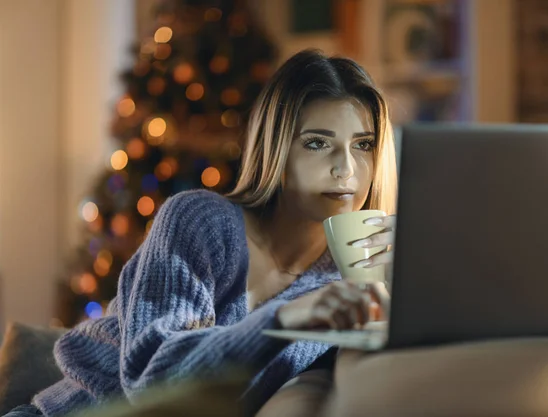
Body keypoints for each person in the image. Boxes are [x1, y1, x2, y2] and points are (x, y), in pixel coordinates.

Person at [4, 48, 398, 417]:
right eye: (317, 143)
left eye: (363, 145)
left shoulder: (352, 275)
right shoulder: (201, 220)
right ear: (276, 150)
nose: (346, 168)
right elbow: (154, 382)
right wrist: (292, 317)